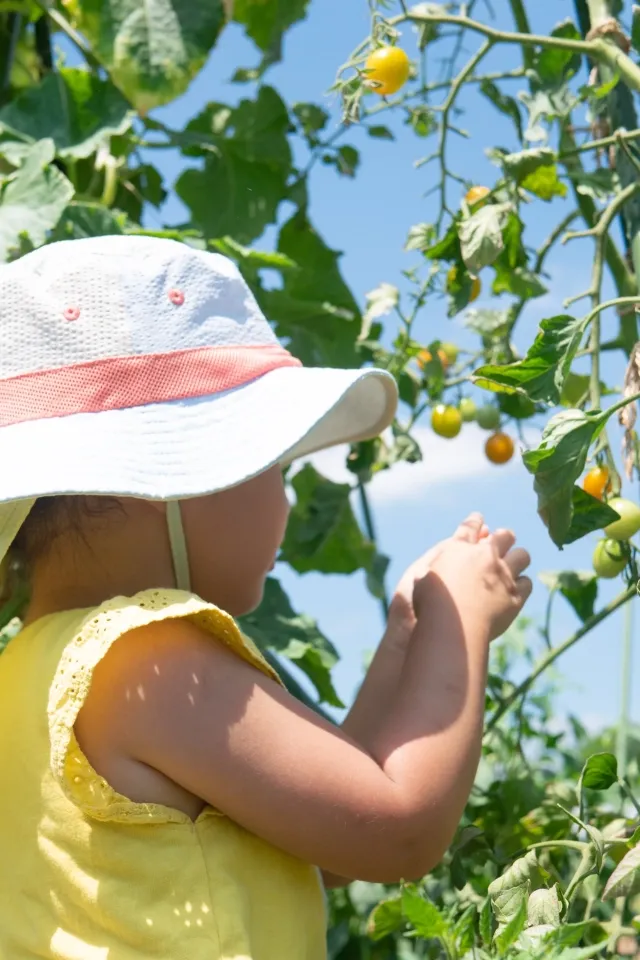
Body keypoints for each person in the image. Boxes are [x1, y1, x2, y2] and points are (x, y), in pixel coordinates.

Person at [0, 235, 531, 959]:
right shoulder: (146, 656)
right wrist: (461, 622)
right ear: (169, 478)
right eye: (274, 467)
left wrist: (407, 638)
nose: (286, 500)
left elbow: (337, 845)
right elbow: (397, 830)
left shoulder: (28, 676)